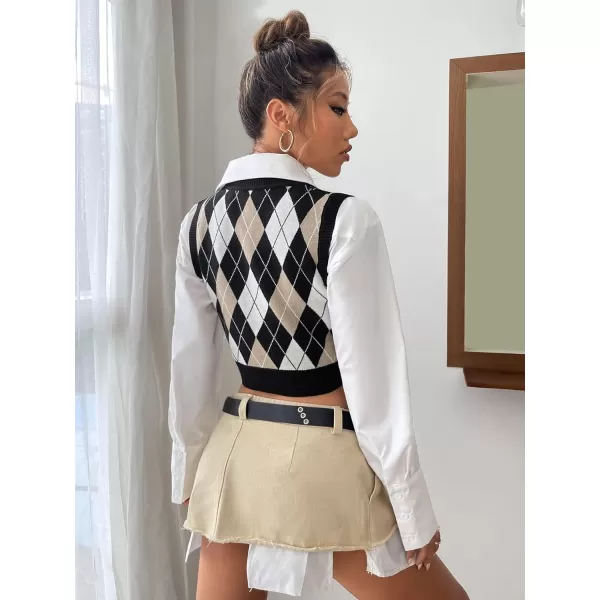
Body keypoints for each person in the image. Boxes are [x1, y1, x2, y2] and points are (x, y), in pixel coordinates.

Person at [168, 10, 470, 600]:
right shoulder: (343, 220)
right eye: (337, 107)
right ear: (281, 115)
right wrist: (411, 508)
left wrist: (187, 470)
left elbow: (190, 372)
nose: (351, 127)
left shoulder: (196, 224)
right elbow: (374, 386)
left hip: (232, 465)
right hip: (322, 465)